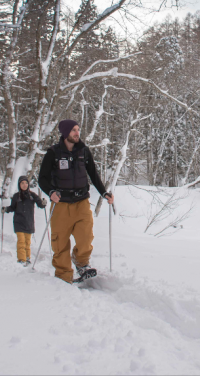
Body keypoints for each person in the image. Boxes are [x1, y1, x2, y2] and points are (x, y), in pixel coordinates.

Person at [38, 119, 114, 283]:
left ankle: (81, 263)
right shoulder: (53, 153)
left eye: (78, 130)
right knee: (60, 242)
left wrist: (104, 193)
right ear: (65, 133)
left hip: (81, 202)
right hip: (61, 204)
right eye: (73, 130)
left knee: (86, 237)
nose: (77, 133)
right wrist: (50, 192)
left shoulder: (83, 151)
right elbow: (42, 179)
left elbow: (93, 174)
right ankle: (63, 276)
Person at [2, 176, 47, 266]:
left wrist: (43, 203)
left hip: (29, 222)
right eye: (22, 183)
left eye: (26, 183)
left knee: (27, 242)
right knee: (21, 242)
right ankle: (21, 259)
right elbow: (13, 207)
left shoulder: (32, 195)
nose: (24, 185)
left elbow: (40, 204)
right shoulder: (16, 196)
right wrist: (6, 209)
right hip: (18, 222)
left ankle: (27, 258)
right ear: (19, 184)